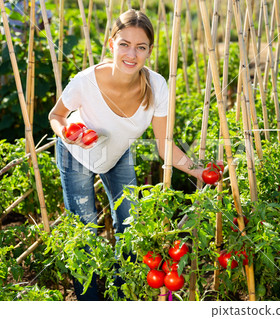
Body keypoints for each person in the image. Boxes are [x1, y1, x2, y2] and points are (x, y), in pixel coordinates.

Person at [48, 9, 205, 300]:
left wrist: (198, 169)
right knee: (85, 230)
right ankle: (90, 301)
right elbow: (56, 115)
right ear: (112, 44)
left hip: (118, 153)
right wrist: (67, 133)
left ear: (149, 51)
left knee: (132, 226)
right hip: (77, 156)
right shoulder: (86, 81)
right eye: (124, 44)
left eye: (140, 47)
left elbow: (164, 146)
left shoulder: (157, 86)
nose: (131, 54)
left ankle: (123, 295)